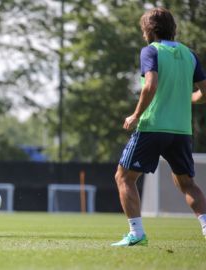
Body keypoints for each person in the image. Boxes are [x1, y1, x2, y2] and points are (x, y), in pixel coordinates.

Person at [112, 7, 206, 247]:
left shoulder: (150, 51)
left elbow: (150, 86)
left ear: (148, 30)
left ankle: (136, 233)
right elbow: (204, 93)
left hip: (153, 127)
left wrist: (135, 115)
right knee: (187, 184)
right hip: (181, 131)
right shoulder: (190, 54)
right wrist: (188, 99)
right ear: (173, 29)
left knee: (124, 177)